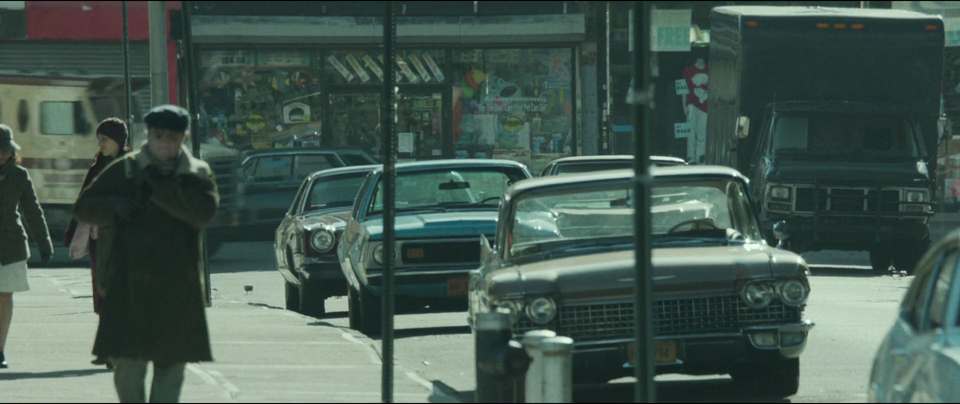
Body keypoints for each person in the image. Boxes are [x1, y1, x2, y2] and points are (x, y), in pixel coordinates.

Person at [73, 105, 218, 403]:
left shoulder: (196, 173)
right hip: (128, 282)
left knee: (171, 368)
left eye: (172, 137)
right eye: (159, 136)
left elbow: (203, 213)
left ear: (183, 137)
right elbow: (84, 207)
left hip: (177, 285)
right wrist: (116, 206)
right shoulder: (125, 168)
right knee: (127, 367)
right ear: (149, 135)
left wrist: (156, 186)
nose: (165, 143)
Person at [64, 118, 129, 368]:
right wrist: (73, 232)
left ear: (118, 141)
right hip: (98, 240)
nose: (100, 144)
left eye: (105, 139)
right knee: (103, 292)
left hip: (123, 240)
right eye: (99, 139)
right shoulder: (96, 166)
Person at [0, 124, 54, 369]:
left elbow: (32, 211)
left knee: (4, 296)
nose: (2, 154)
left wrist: (45, 243)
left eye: (6, 150)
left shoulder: (19, 175)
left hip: (10, 245)